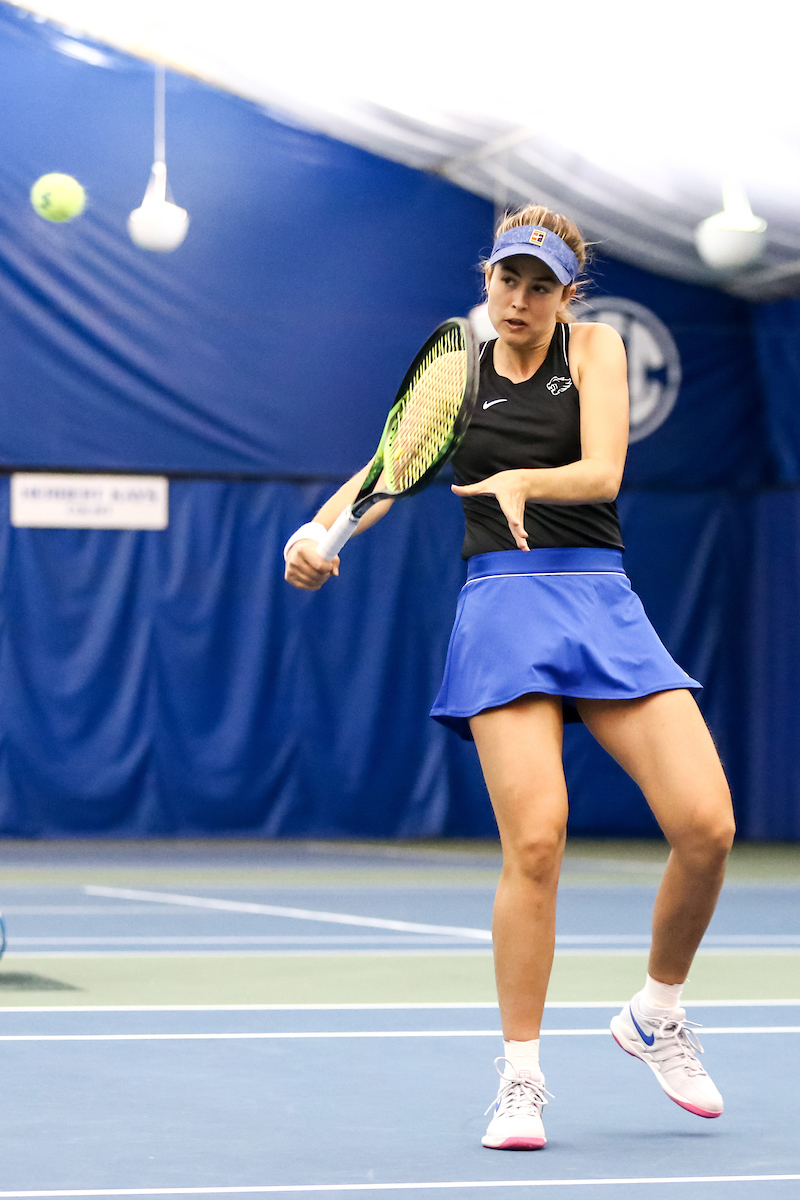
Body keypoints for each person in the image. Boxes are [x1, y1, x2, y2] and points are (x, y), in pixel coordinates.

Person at [283, 204, 736, 1151]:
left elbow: (604, 471)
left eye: (540, 285)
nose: (520, 299)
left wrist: (526, 483)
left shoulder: (598, 349)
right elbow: (389, 464)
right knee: (538, 840)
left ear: (568, 294)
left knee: (707, 825)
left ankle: (657, 1012)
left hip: (601, 602)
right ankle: (522, 1079)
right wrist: (319, 536)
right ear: (486, 278)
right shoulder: (459, 371)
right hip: (503, 612)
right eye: (507, 280)